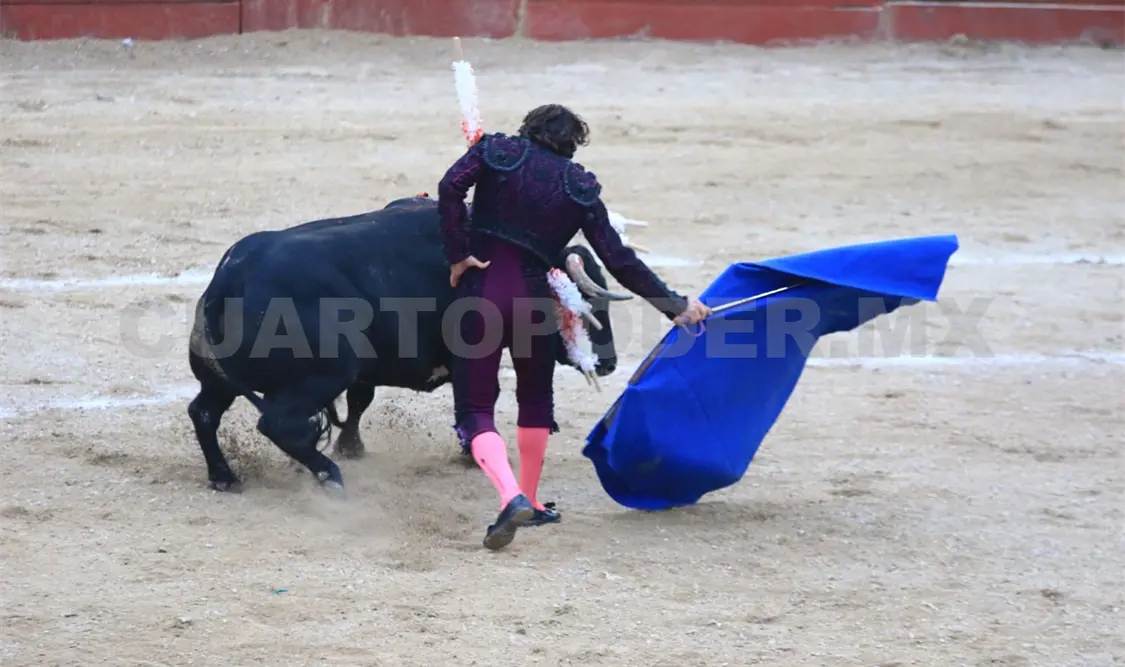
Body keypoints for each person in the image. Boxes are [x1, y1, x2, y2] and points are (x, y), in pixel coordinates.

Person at [437, 104, 711, 550]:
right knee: (535, 397)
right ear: (571, 144)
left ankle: (511, 497)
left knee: (475, 408)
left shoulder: (494, 152)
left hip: (481, 291)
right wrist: (674, 305)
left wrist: (458, 252)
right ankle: (536, 500)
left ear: (528, 130)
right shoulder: (578, 186)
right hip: (533, 301)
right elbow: (618, 259)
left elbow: (450, 188)